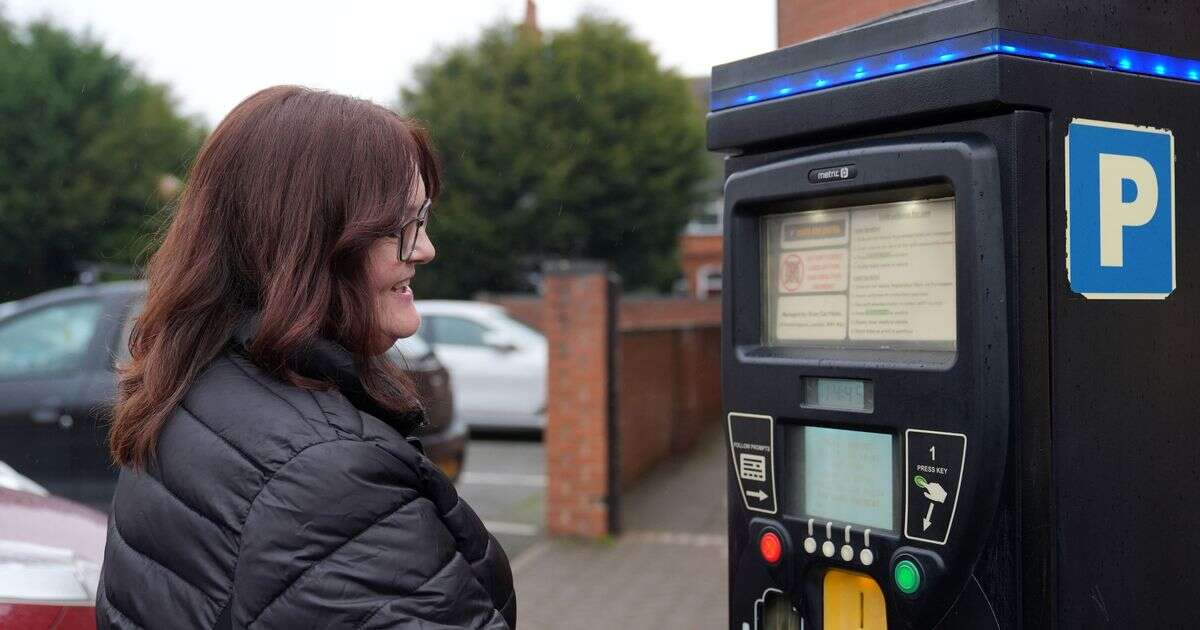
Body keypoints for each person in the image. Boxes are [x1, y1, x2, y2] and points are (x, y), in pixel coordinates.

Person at [95, 85, 516, 629]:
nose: (425, 249)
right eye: (400, 225)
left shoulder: (195, 393)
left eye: (423, 218)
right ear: (309, 243)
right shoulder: (327, 472)